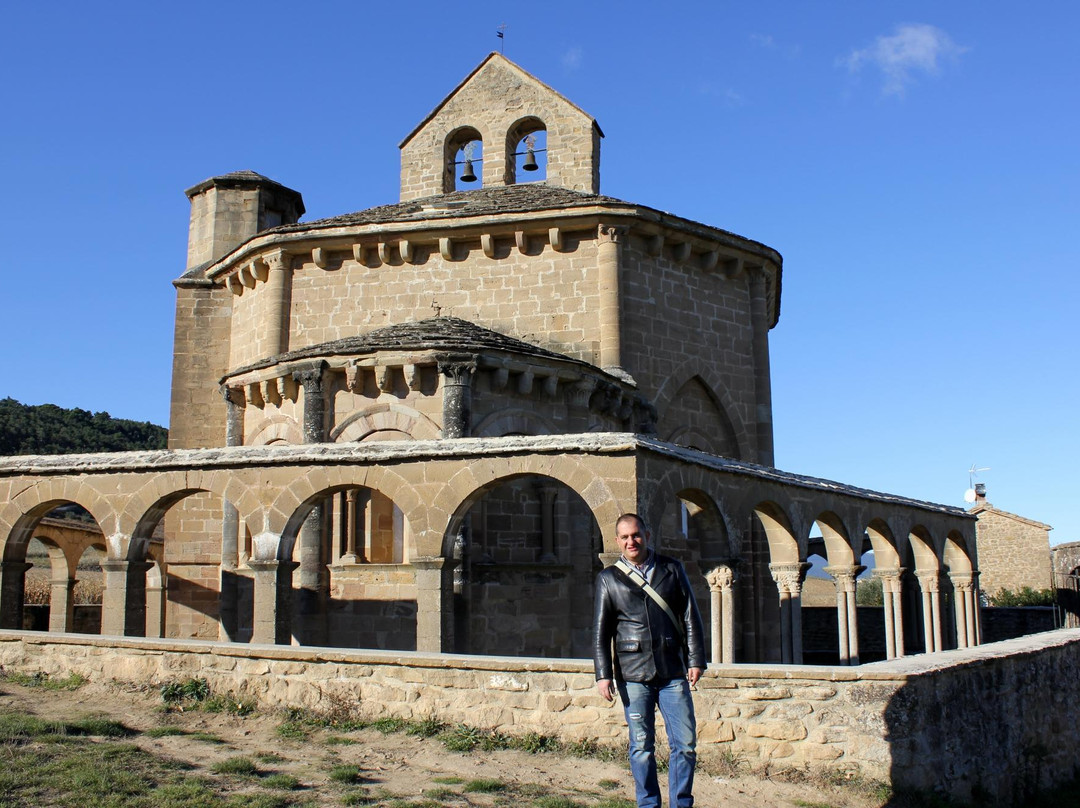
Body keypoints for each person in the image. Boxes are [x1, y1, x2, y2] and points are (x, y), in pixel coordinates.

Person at [593, 513, 706, 808]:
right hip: (633, 673)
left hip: (672, 670)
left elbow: (690, 616)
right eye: (625, 537)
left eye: (636, 535)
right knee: (642, 747)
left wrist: (696, 659)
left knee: (685, 744)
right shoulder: (608, 578)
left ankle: (681, 803)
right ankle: (648, 804)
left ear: (647, 535)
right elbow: (601, 631)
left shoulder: (672, 568)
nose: (631, 541)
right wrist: (603, 674)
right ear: (617, 541)